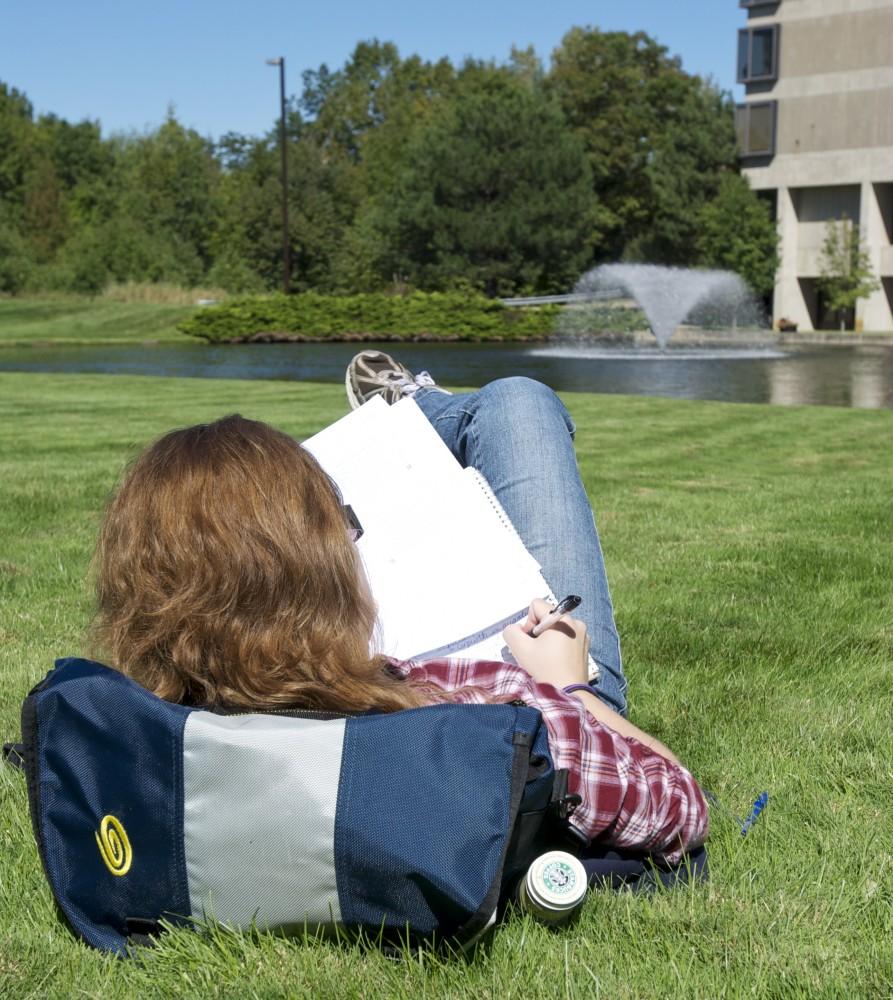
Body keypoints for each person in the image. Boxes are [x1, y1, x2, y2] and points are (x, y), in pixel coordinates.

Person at [91, 352, 707, 868]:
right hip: (504, 716)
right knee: (521, 404)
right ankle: (412, 411)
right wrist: (571, 687)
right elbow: (679, 807)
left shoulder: (132, 736)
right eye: (344, 532)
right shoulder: (476, 704)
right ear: (326, 574)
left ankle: (406, 415)